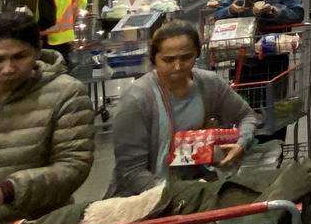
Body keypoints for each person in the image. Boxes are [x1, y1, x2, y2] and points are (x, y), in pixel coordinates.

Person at [111, 21, 258, 196]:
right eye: (168, 60)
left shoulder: (210, 84)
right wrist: (175, 195)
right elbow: (131, 171)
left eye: (186, 57)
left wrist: (241, 144)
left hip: (198, 185)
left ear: (197, 53)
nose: (178, 66)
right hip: (150, 196)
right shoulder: (136, 99)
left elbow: (246, 116)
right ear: (154, 59)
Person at [0, 14, 94, 224]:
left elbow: (73, 165)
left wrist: (9, 190)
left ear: (37, 52)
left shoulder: (67, 93)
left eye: (19, 57)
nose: (8, 69)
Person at [37, 0, 88, 66]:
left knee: (51, 69)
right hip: (68, 39)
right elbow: (81, 7)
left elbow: (46, 19)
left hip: (49, 39)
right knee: (65, 67)